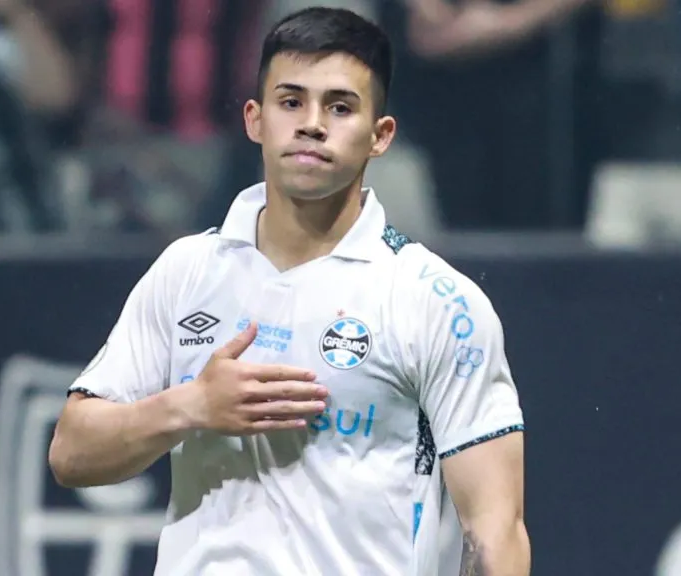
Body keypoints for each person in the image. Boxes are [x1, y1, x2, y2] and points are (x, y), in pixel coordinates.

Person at [48, 7, 528, 575]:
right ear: (255, 120)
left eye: (340, 107)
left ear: (380, 136)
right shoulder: (186, 271)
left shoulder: (437, 301)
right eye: (291, 101)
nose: (312, 124)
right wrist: (191, 406)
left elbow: (494, 529)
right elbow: (71, 453)